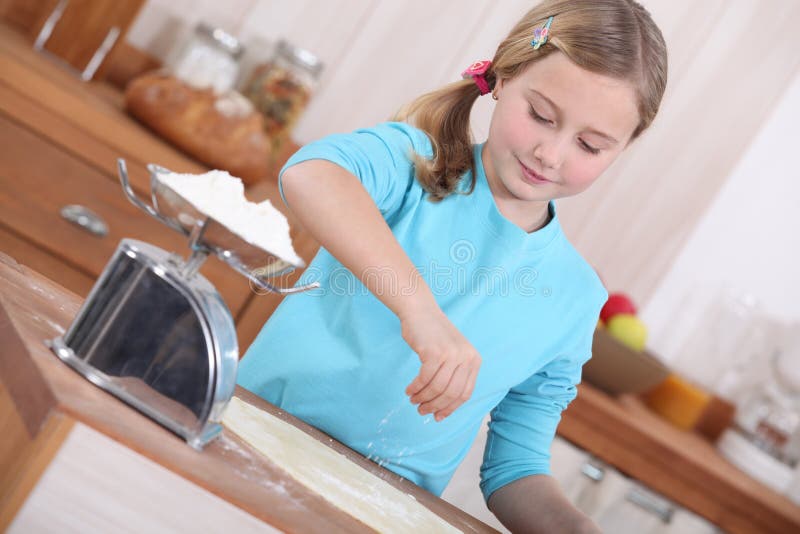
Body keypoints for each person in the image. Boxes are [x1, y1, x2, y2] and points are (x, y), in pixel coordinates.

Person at [238, 0, 667, 531]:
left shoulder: (574, 299)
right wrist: (420, 311)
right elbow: (311, 174)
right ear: (504, 77)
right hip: (243, 446)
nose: (550, 153)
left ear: (625, 146)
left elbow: (516, 469)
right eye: (540, 115)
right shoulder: (413, 162)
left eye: (590, 145)